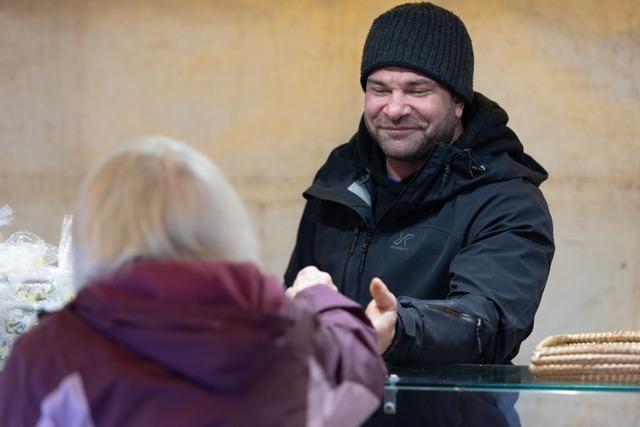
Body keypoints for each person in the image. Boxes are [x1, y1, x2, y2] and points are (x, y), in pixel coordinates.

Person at [285, 2, 554, 425]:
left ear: (458, 101)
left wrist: (396, 328)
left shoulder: (508, 198)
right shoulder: (339, 177)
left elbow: (485, 321)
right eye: (379, 89)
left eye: (417, 90)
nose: (394, 108)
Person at [0, 137, 386, 427]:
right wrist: (319, 296)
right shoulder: (292, 334)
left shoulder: (49, 354)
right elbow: (360, 373)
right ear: (223, 223)